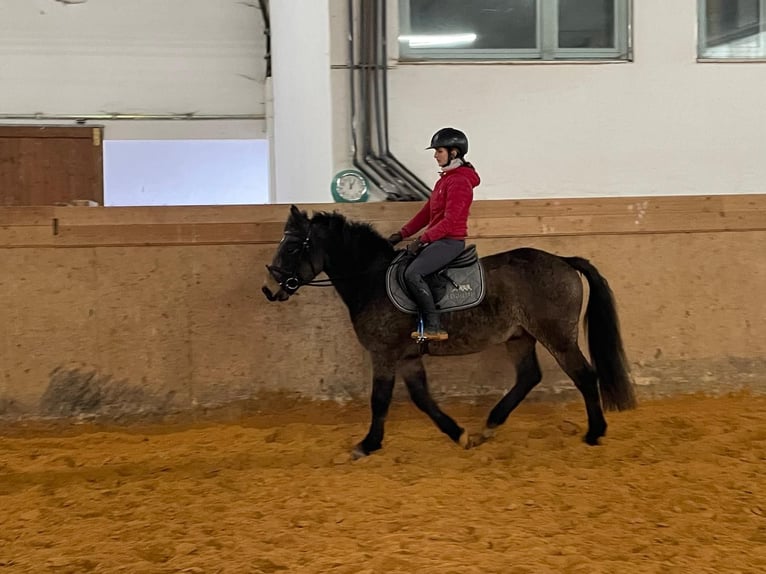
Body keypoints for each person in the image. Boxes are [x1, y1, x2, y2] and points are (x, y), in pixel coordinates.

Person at [388, 127, 480, 341]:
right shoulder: (444, 181)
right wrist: (401, 234)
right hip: (438, 240)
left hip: (449, 242)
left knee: (413, 273)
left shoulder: (459, 182)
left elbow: (449, 222)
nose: (435, 155)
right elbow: (425, 214)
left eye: (439, 151)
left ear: (454, 152)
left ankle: (434, 325)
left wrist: (421, 240)